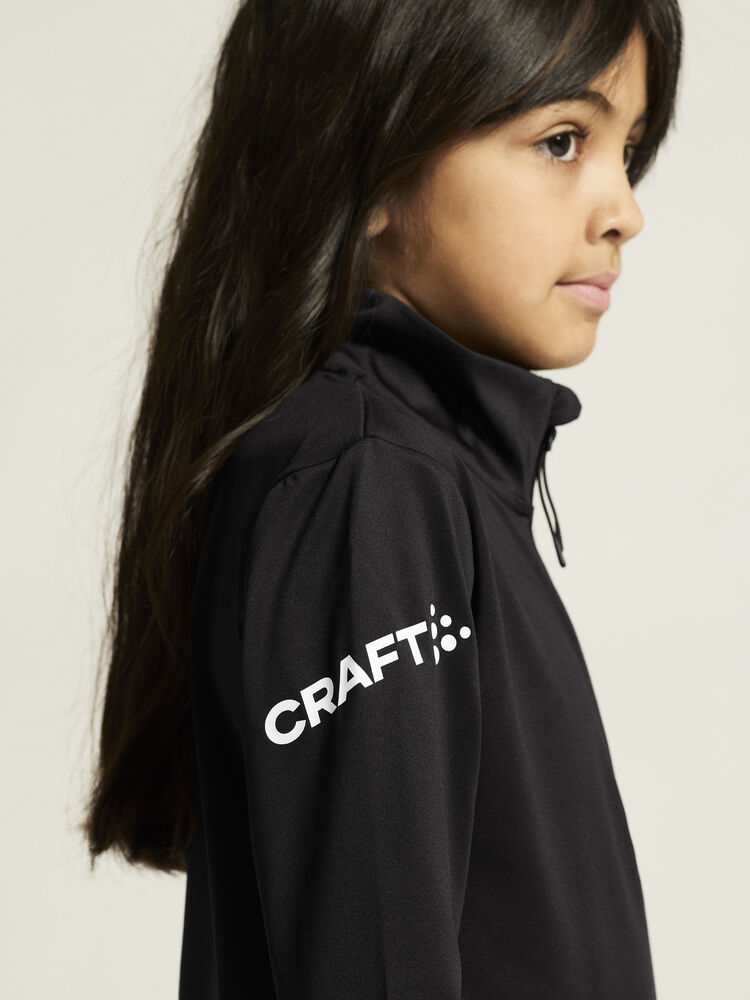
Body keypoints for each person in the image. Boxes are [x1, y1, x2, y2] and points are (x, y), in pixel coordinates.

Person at [80, 1, 683, 997]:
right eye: (562, 140)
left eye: (629, 147)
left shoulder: (414, 475)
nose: (624, 208)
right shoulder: (371, 489)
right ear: (369, 167)